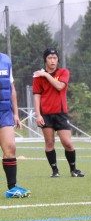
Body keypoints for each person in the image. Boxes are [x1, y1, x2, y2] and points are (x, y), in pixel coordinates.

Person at [32, 48, 84, 178]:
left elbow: (60, 86)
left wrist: (46, 75)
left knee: (67, 143)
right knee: (49, 142)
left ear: (58, 60)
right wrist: (38, 114)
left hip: (60, 113)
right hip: (45, 114)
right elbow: (37, 95)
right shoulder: (38, 76)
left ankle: (73, 170)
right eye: (49, 58)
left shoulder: (63, 72)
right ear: (45, 60)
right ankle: (55, 171)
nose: (52, 60)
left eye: (55, 58)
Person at [0, 52, 31, 199]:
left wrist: (15, 113)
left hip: (5, 112)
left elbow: (11, 88)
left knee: (10, 148)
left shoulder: (6, 60)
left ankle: (12, 188)